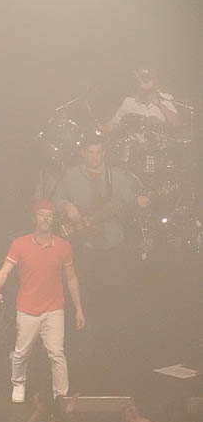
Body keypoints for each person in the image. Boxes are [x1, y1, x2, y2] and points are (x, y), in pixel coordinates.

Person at [0, 199, 84, 403]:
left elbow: (71, 278)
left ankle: (61, 395)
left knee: (57, 353)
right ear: (35, 218)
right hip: (27, 308)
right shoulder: (20, 244)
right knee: (21, 353)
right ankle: (18, 383)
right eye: (42, 214)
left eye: (49, 215)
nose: (46, 218)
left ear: (53, 219)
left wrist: (78, 309)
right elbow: (4, 271)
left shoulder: (63, 246)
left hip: (54, 308)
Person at [51, 132, 149, 326]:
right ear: (83, 153)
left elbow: (132, 200)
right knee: (84, 289)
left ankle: (118, 327)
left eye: (98, 152)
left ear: (104, 153)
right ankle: (85, 324)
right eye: (90, 152)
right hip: (83, 243)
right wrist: (67, 206)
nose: (95, 157)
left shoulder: (117, 176)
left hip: (112, 241)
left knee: (117, 290)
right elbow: (55, 199)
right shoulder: (71, 175)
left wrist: (140, 201)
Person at [102, 67, 181, 133]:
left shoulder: (165, 98)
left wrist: (159, 104)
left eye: (146, 80)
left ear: (154, 81)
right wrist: (102, 128)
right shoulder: (128, 102)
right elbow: (114, 123)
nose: (141, 83)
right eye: (138, 80)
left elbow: (177, 123)